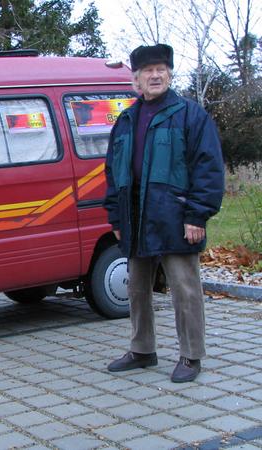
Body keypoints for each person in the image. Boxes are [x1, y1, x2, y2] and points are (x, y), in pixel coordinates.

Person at [103, 44, 224, 383]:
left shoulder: (190, 115)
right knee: (137, 288)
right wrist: (115, 217)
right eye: (148, 71)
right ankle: (142, 349)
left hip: (177, 216)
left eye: (161, 69)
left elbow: (209, 168)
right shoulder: (126, 120)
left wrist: (197, 215)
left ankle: (191, 356)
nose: (155, 75)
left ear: (170, 74)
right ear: (136, 79)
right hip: (135, 216)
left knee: (185, 289)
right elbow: (112, 171)